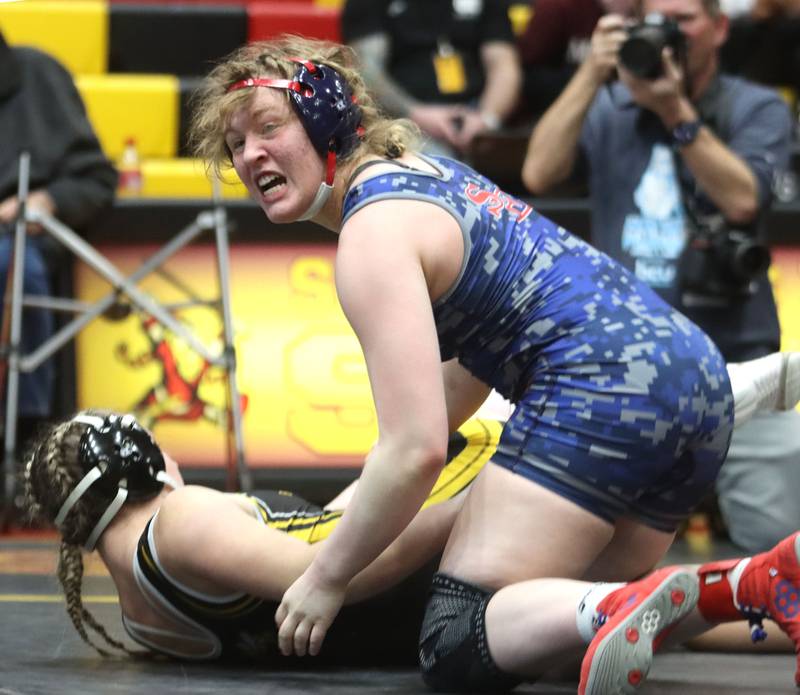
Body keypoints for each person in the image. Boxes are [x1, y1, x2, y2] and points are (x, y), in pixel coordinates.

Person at [188, 36, 800, 692]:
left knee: (459, 638)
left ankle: (628, 582)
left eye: (269, 127)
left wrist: (325, 575)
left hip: (600, 388)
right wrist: (368, 485)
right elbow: (465, 377)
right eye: (235, 145)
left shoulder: (372, 233)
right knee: (557, 633)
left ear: (329, 115)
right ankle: (745, 580)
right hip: (692, 374)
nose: (250, 155)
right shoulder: (432, 175)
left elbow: (417, 448)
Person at [21, 366, 800, 664]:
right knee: (529, 418)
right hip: (411, 578)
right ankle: (729, 384)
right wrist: (476, 499)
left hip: (421, 619)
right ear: (144, 463)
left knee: (631, 591)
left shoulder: (137, 610)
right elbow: (331, 572)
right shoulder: (182, 517)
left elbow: (317, 544)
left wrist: (386, 486)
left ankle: (766, 591)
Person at [521, 0, 800, 554]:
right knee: (596, 551)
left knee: (778, 545)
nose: (668, 34)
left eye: (685, 19)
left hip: (737, 354)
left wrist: (676, 111)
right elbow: (538, 173)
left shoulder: (756, 106)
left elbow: (743, 199)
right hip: (624, 367)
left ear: (719, 29)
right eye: (654, 21)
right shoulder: (609, 106)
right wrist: (591, 73)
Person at [0, 31, 117, 434]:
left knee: (13, 263)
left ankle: (27, 424)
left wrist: (47, 201)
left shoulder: (40, 76)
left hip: (20, 242)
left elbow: (97, 180)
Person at [340, 0, 522, 157]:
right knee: (433, 159)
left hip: (477, 117)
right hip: (400, 118)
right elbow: (366, 71)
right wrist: (415, 114)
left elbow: (503, 66)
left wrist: (487, 119)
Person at [518, 0, 635, 117]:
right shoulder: (559, 6)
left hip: (635, 109)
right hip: (559, 109)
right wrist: (588, 76)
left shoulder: (647, 7)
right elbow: (527, 74)